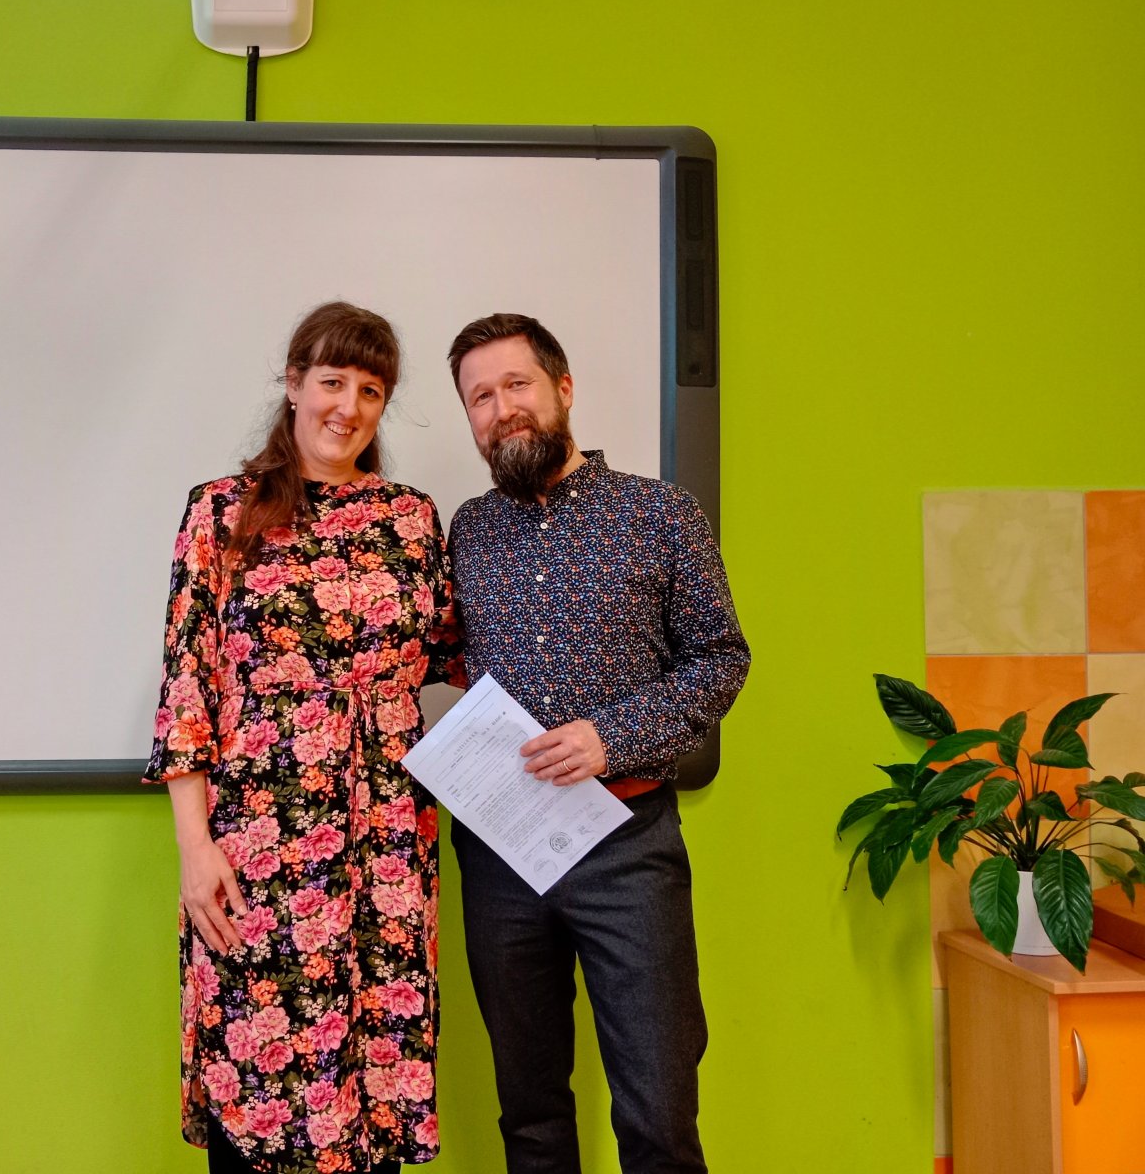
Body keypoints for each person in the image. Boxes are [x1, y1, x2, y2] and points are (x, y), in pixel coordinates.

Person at [145, 302, 462, 1174]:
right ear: (293, 385)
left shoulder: (410, 518)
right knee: (260, 1067)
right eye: (332, 382)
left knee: (373, 1067)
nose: (348, 407)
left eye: (371, 390)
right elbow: (186, 686)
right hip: (257, 838)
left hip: (386, 835)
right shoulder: (222, 511)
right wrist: (194, 849)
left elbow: (454, 654)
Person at [443, 313, 750, 1174]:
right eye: (479, 397)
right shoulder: (468, 530)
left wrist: (610, 737)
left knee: (658, 1113)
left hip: (629, 847)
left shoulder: (661, 513)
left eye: (516, 384)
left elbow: (722, 658)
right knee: (531, 1115)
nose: (501, 408)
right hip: (500, 854)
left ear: (564, 388)